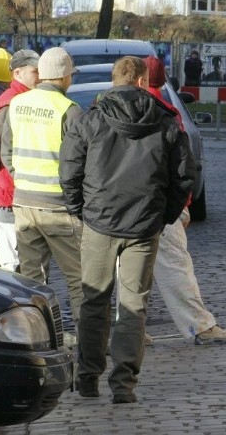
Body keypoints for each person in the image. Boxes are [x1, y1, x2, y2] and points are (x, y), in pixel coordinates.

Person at [59, 56, 195, 404]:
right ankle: (124, 385)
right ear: (141, 82)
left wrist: (83, 211)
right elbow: (183, 178)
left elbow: (69, 172)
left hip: (100, 223)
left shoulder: (89, 119)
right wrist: (162, 216)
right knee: (133, 305)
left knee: (94, 302)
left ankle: (88, 378)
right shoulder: (166, 122)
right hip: (143, 227)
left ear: (114, 81)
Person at [142, 56, 226, 346]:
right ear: (162, 80)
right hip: (158, 206)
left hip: (121, 208)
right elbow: (182, 167)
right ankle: (199, 326)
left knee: (130, 272)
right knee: (175, 267)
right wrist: (181, 206)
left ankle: (131, 330)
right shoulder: (166, 113)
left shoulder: (108, 108)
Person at [0, 47, 84, 335]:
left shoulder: (17, 104)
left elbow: (6, 152)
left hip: (24, 203)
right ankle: (90, 340)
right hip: (58, 208)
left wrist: (20, 179)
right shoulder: (69, 110)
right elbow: (79, 162)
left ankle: (36, 336)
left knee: (31, 279)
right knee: (79, 278)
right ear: (64, 76)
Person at [0, 49, 41, 271]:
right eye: (35, 71)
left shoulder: (17, 100)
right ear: (17, 73)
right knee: (19, 266)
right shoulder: (9, 104)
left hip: (11, 193)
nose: (39, 76)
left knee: (16, 266)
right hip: (8, 195)